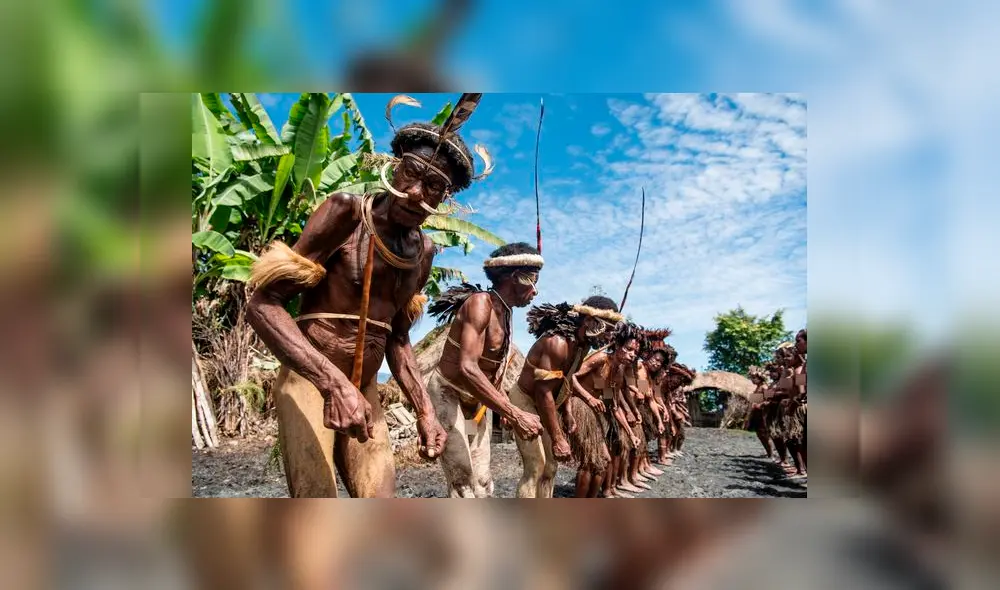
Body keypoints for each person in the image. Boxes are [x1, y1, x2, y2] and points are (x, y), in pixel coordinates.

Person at [245, 97, 491, 497]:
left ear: (445, 198)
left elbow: (397, 337)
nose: (416, 193)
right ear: (394, 165)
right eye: (411, 173)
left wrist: (426, 412)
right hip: (309, 380)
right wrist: (331, 383)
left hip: (365, 391)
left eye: (434, 187)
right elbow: (262, 302)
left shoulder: (423, 253)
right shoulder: (344, 213)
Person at [425, 243, 545, 497]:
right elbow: (467, 367)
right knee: (463, 481)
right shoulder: (481, 304)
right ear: (516, 277)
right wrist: (513, 413)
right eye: (532, 281)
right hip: (450, 394)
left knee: (482, 480)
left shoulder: (506, 313)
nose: (535, 290)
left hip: (477, 403)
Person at [508, 296, 622, 498]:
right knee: (536, 466)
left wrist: (567, 411)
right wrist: (558, 438)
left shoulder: (581, 345)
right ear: (588, 321)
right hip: (526, 400)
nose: (609, 337)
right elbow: (543, 392)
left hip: (548, 403)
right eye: (608, 329)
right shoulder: (557, 344)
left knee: (550, 467)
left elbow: (565, 382)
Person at [566, 322, 643, 498]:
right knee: (590, 460)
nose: (632, 355)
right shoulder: (600, 358)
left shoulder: (618, 370)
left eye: (635, 352)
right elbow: (571, 377)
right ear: (617, 345)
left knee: (604, 460)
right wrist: (589, 398)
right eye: (628, 349)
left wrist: (631, 434)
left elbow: (613, 404)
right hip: (579, 405)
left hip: (595, 413)